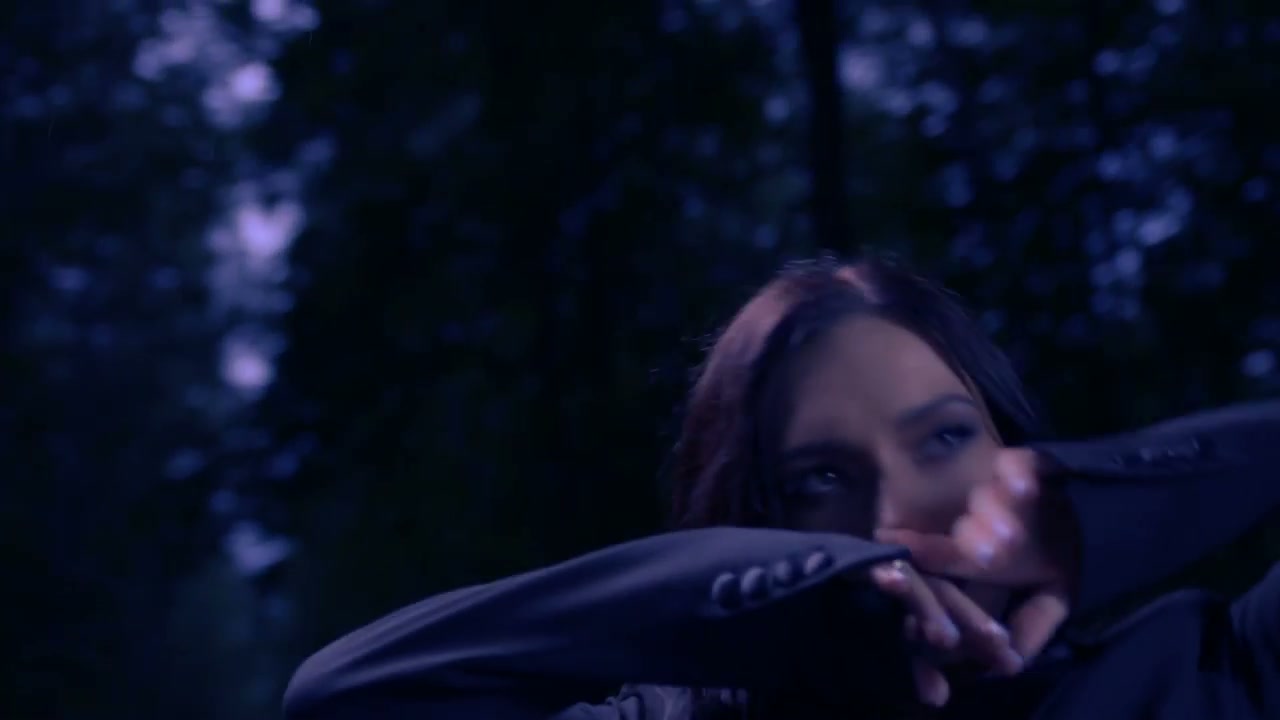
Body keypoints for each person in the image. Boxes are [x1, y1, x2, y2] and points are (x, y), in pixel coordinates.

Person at [282, 255, 1280, 720]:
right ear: (757, 518)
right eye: (820, 481)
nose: (891, 519)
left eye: (944, 438)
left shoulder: (1219, 667)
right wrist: (787, 592)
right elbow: (345, 701)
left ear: (1013, 447)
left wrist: (1103, 509)